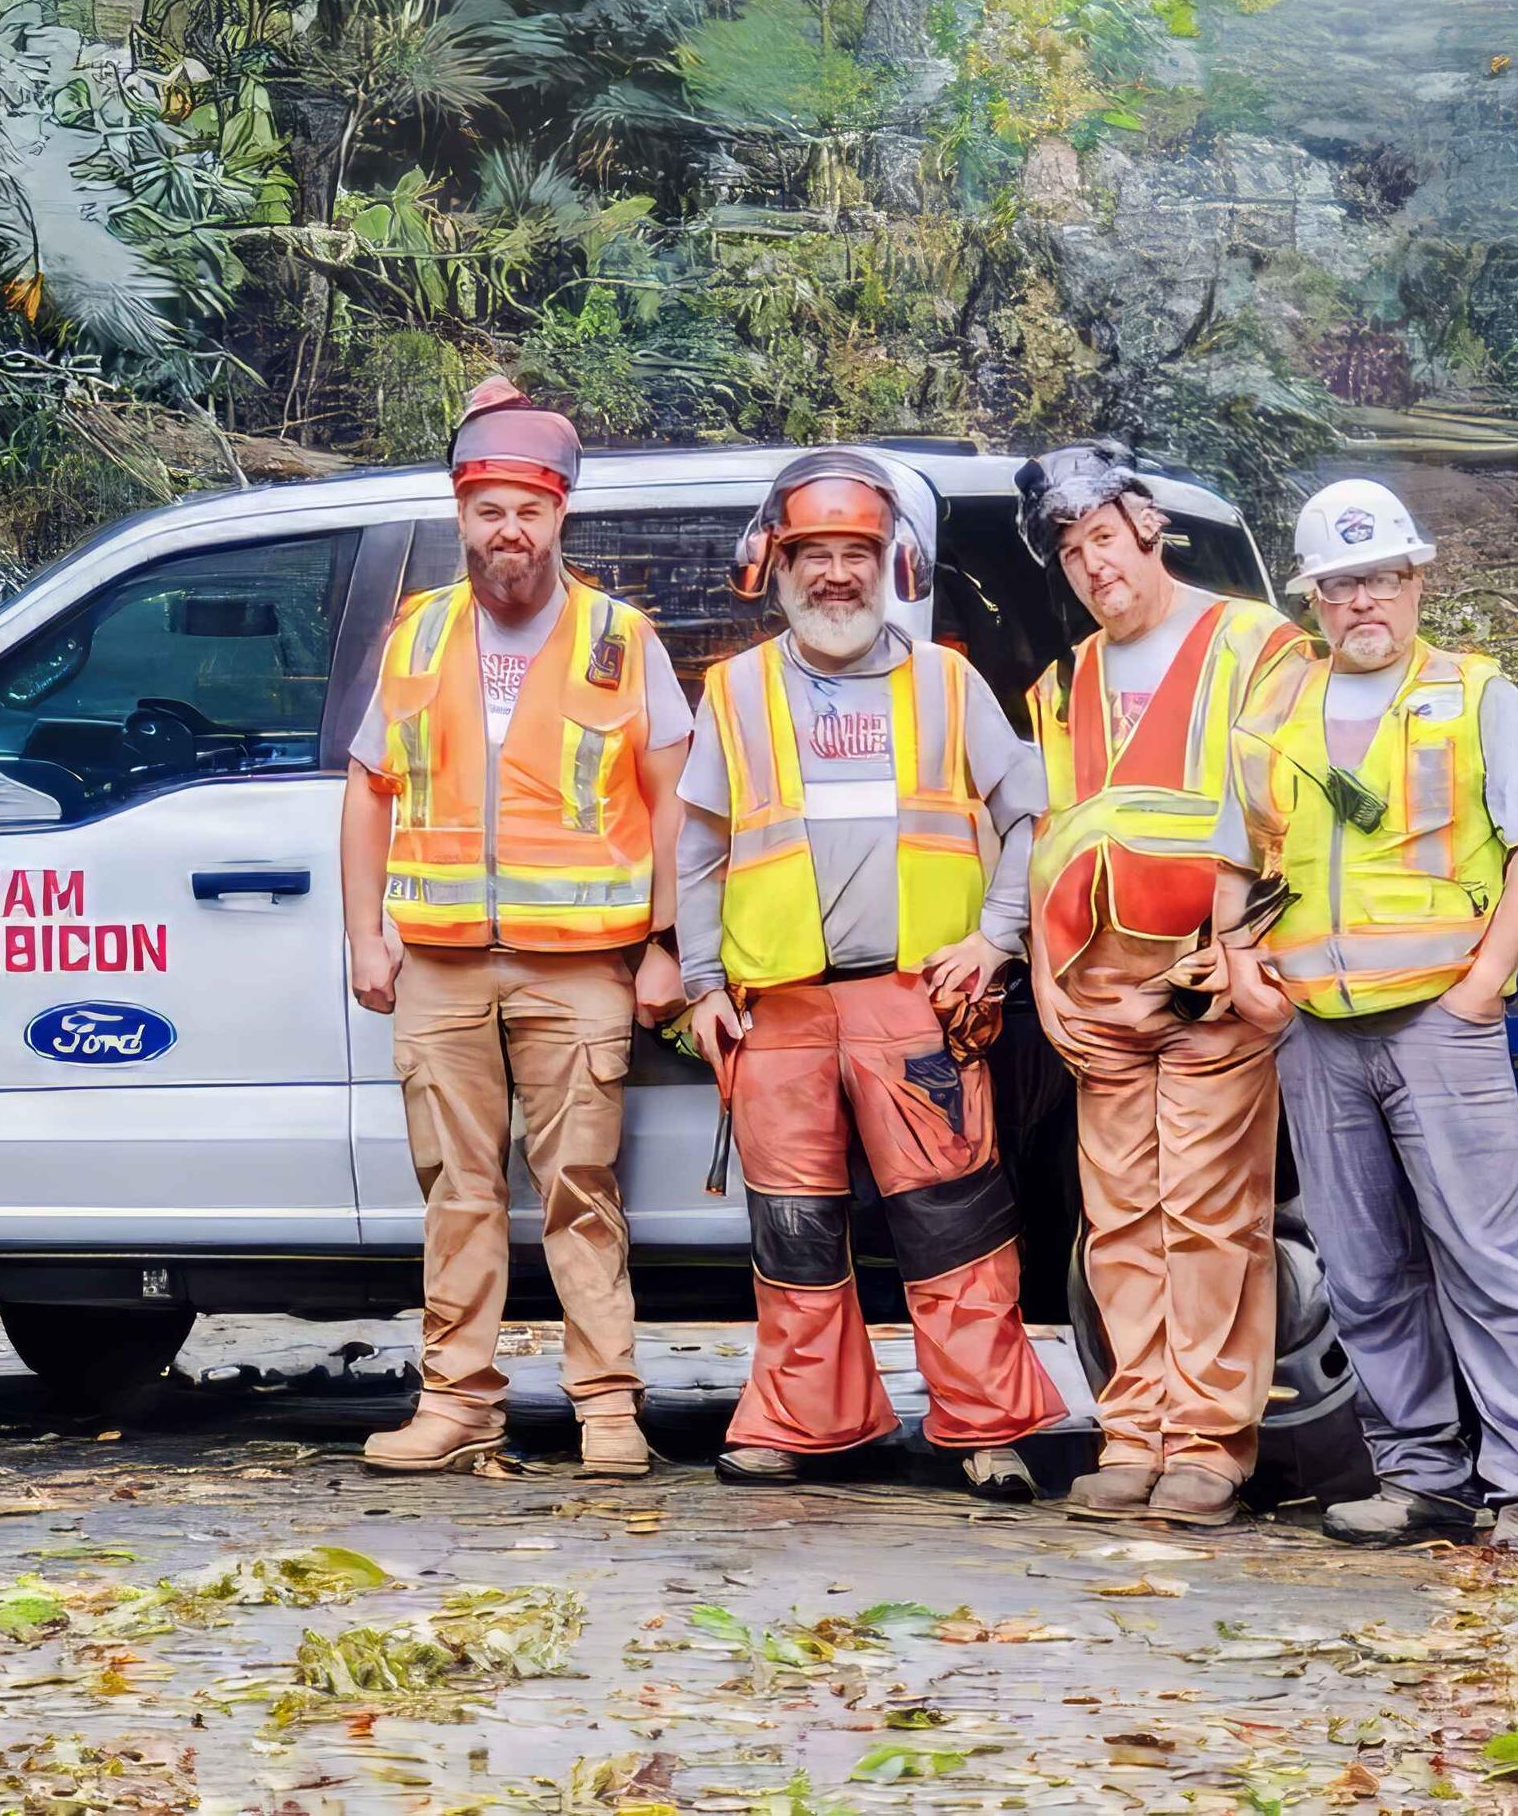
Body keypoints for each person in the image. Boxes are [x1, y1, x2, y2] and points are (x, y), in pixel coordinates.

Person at [677, 452, 1066, 1500]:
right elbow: (700, 847)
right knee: (793, 1230)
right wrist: (702, 983)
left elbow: (1028, 815)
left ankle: (984, 1424)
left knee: (958, 1223)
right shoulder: (738, 689)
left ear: (893, 561)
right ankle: (806, 1418)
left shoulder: (946, 679)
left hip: (919, 1002)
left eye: (857, 553)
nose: (838, 575)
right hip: (779, 1009)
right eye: (815, 555)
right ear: (777, 564)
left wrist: (996, 936)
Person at [339, 377, 691, 1478]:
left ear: (559, 518)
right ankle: (458, 1403)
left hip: (582, 968)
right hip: (438, 965)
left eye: (528, 511)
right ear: (460, 514)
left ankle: (608, 1408)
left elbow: (676, 797)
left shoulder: (621, 639)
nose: (509, 531)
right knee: (457, 1190)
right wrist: (364, 934)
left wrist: (670, 946)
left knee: (585, 1191)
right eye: (488, 508)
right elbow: (368, 787)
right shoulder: (417, 633)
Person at [1248, 479, 1518, 1549]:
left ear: (1417, 580)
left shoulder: (1475, 693)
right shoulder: (1274, 719)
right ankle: (1421, 1476)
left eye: (1381, 576)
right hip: (1314, 1030)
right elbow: (1234, 864)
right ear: (1314, 598)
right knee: (1360, 1267)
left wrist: (1484, 980)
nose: (1362, 602)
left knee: (1486, 1258)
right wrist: (1242, 962)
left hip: (1442, 1019)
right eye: (1340, 583)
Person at [1014, 441, 1313, 1527]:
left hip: (1206, 991)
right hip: (1093, 994)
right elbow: (1051, 841)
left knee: (1208, 1216)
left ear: (1146, 525)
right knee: (1120, 1223)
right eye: (1069, 547)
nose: (1091, 564)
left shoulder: (1257, 648)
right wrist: (1050, 986)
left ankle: (1207, 1443)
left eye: (1103, 535)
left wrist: (1197, 983)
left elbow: (1292, 835)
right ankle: (1131, 1429)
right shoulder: (1065, 682)